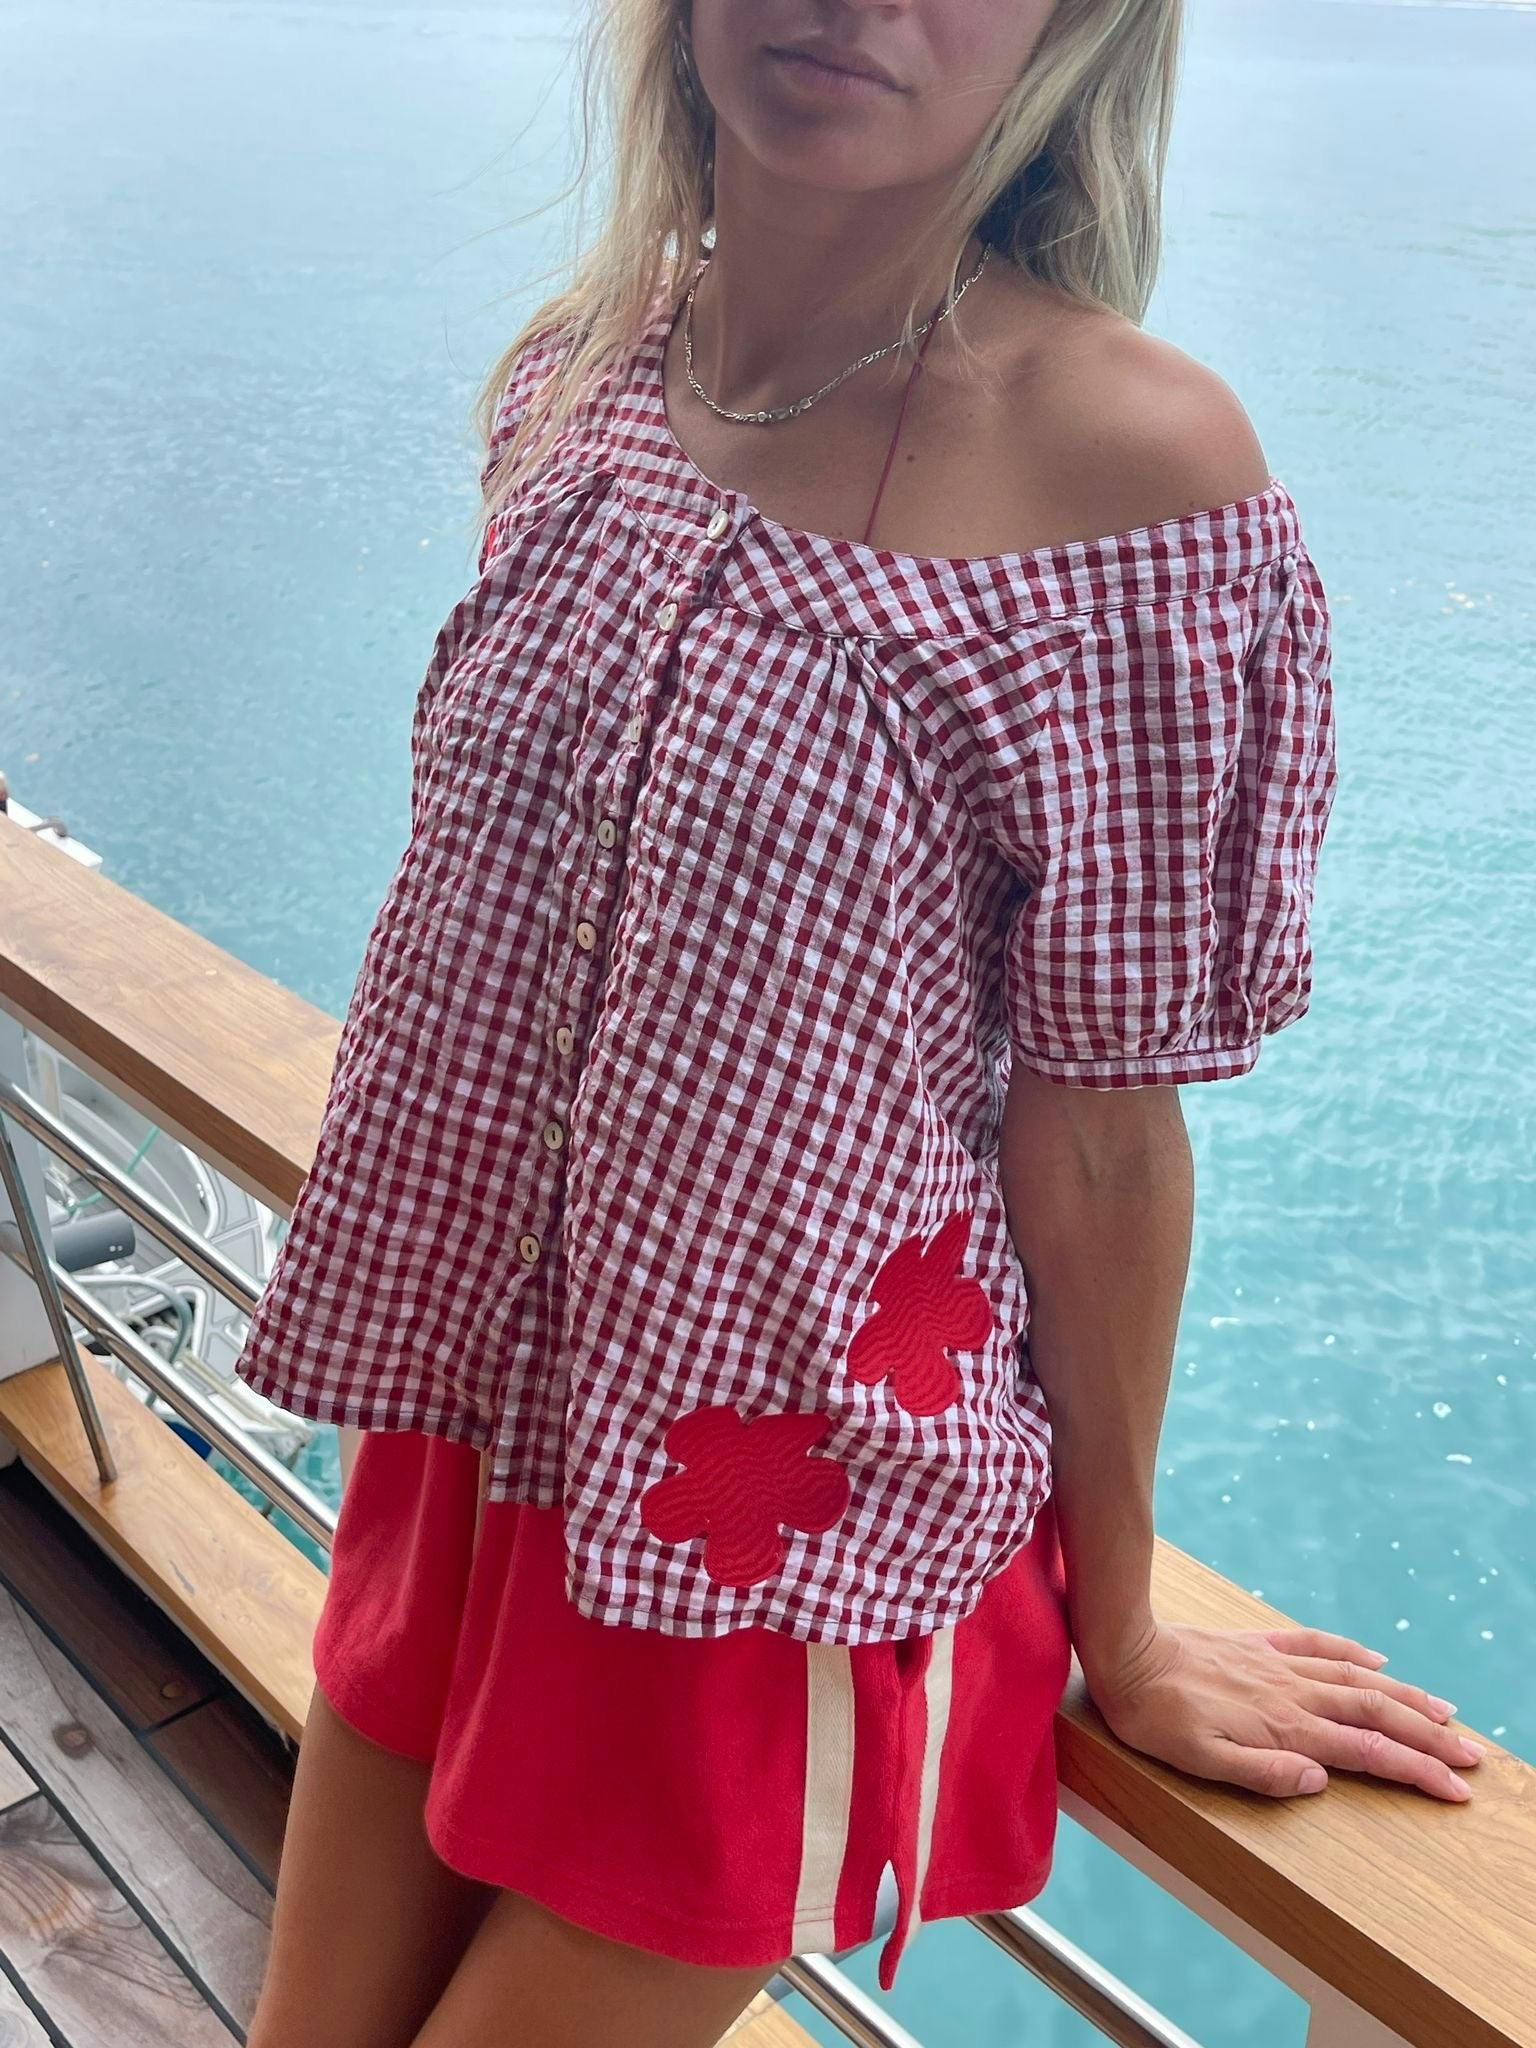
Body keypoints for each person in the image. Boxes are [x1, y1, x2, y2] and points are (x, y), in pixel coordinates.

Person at [241, 4, 1483, 2045]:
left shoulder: (1131, 479)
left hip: (779, 1523)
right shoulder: (586, 376)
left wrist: (1125, 1617)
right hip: (472, 1444)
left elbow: (1101, 1128)